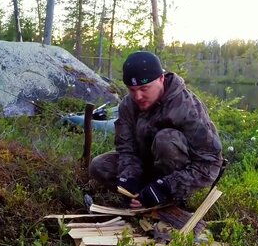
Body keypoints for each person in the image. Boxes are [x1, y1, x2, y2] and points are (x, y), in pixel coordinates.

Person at [89, 51, 223, 208]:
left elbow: (210, 164)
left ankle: (170, 200)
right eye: (132, 89)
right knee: (98, 166)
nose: (138, 96)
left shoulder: (187, 107)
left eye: (144, 88)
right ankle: (140, 197)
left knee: (166, 140)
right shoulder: (128, 105)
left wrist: (166, 186)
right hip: (145, 167)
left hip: (175, 175)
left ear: (161, 79)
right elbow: (126, 149)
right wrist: (129, 177)